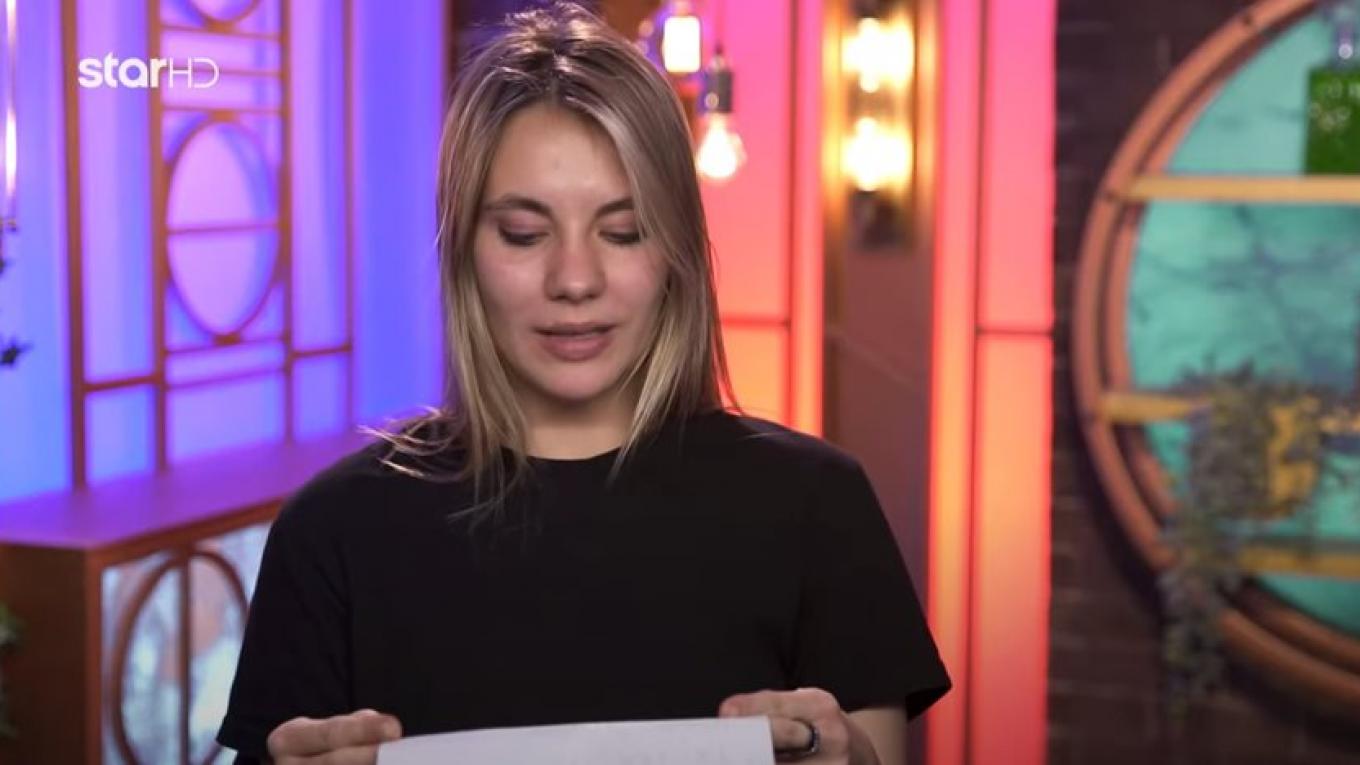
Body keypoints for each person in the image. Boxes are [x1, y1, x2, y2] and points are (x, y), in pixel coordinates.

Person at [215, 2, 950, 763]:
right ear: (462, 248)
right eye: (524, 234)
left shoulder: (817, 506)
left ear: (677, 250)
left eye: (623, 231)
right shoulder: (333, 531)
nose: (575, 279)